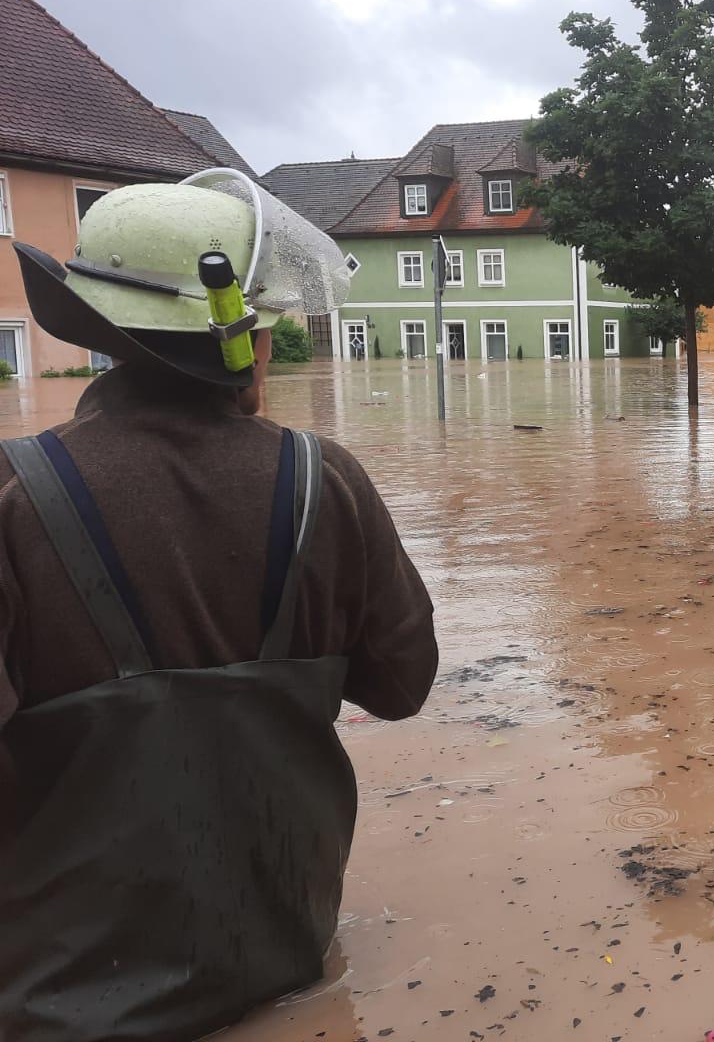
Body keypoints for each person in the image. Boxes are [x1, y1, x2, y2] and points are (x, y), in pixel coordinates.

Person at [0, 175, 438, 1042]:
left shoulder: (11, 493)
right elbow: (402, 685)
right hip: (287, 953)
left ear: (94, 329)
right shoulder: (330, 481)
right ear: (247, 340)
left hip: (54, 999)